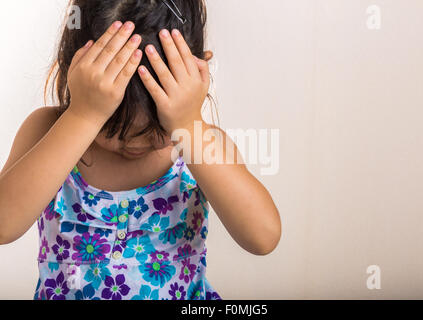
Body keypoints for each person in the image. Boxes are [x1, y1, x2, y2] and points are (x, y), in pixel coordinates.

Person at [0, 0, 281, 300]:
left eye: (159, 128)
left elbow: (263, 237)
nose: (134, 143)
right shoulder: (48, 131)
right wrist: (83, 117)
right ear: (76, 73)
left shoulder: (201, 142)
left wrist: (188, 126)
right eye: (109, 125)